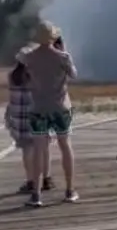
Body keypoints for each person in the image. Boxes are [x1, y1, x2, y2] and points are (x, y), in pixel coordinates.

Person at [16, 20, 78, 206]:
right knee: (65, 146)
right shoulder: (63, 57)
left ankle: (36, 194)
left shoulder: (29, 58)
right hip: (60, 107)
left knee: (39, 150)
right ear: (54, 37)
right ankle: (69, 191)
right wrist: (63, 50)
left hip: (39, 108)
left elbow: (21, 58)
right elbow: (74, 74)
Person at [4, 60, 53, 194]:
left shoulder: (11, 76)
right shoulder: (38, 76)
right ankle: (46, 179)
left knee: (27, 151)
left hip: (20, 120)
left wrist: (8, 117)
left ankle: (31, 181)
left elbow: (11, 98)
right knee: (44, 149)